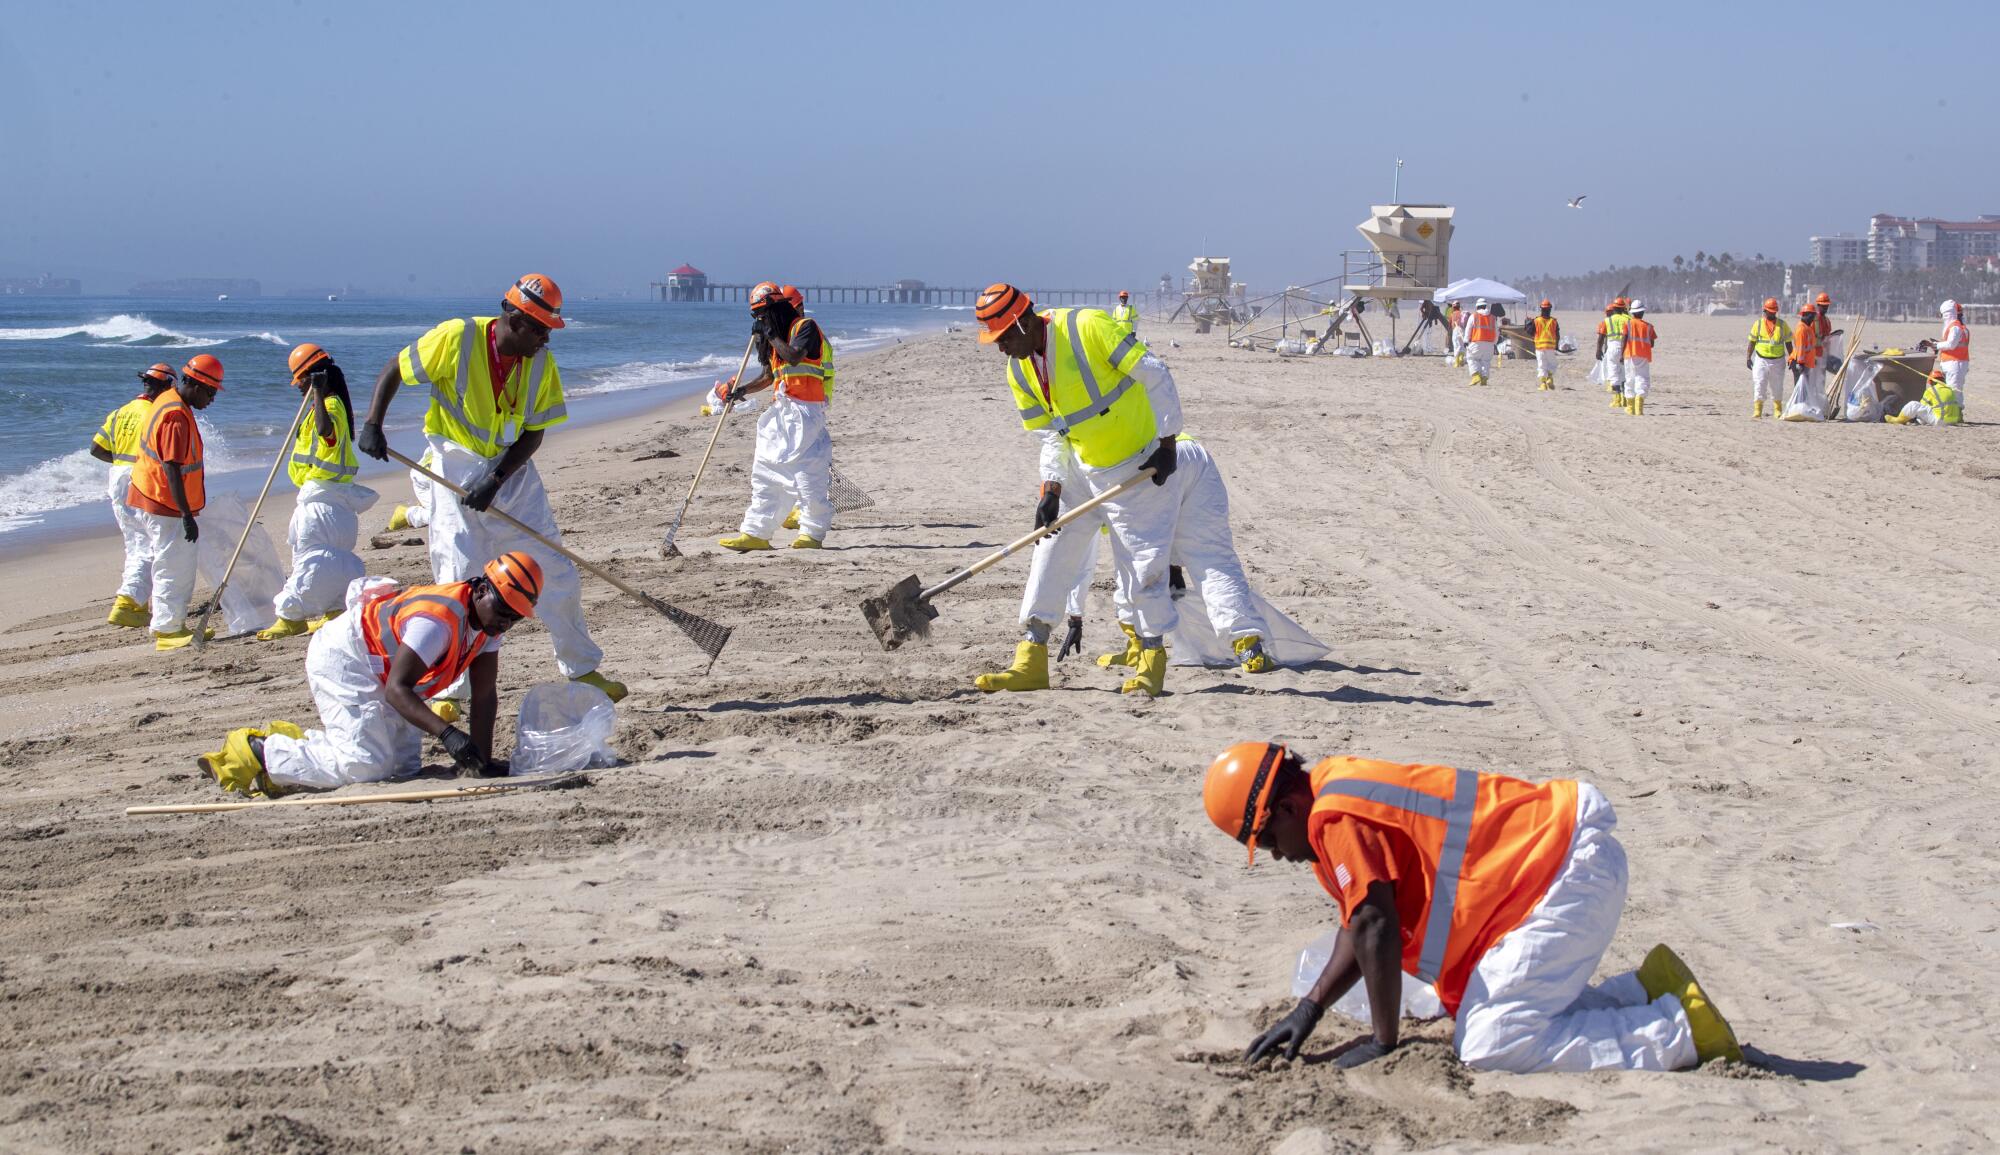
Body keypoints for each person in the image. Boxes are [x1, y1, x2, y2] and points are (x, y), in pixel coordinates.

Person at [1202, 742, 1744, 1073]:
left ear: (1289, 808)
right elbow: (1358, 917)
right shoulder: (1330, 791)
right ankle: (1643, 991)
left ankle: (1681, 1031)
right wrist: (1310, 1009)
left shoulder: (1334, 817)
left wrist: (1383, 1043)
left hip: (1568, 874)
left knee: (1491, 1044)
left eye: (1268, 840)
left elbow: (1375, 926)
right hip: (1555, 868)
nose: (1275, 855)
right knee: (1478, 1011)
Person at [354, 273, 627, 705]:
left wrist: (496, 478)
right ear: (514, 319)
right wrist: (373, 424)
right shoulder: (456, 338)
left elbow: (533, 433)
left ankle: (582, 669)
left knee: (555, 569)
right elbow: (394, 369)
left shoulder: (540, 362)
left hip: (510, 469)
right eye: (539, 330)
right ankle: (451, 689)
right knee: (459, 577)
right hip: (453, 463)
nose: (545, 340)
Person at [971, 282, 1183, 697]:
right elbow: (1050, 435)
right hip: (1083, 468)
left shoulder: (1087, 327)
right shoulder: (1018, 369)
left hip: (1136, 464)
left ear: (1026, 320)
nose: (1000, 348)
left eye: (1004, 337)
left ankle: (1152, 663)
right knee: (1050, 550)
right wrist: (1051, 487)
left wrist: (1168, 443)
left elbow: (1155, 374)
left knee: (1142, 565)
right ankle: (1031, 659)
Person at [197, 552, 542, 796]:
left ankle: (299, 748)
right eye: (503, 610)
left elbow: (484, 693)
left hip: (387, 668)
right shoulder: (437, 622)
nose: (505, 623)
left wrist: (479, 757)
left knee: (402, 770)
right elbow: (397, 690)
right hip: (347, 658)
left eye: (515, 617)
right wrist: (448, 734)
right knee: (367, 767)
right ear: (482, 590)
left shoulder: (489, 627)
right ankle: (258, 751)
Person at [1054, 434, 1320, 675]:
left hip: (1144, 468)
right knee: (1213, 559)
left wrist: (1075, 615)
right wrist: (1173, 564)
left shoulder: (1080, 476)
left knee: (1134, 561)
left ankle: (1137, 646)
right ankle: (1249, 648)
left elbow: (1082, 556)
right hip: (1190, 456)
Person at [259, 344, 379, 640]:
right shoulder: (329, 404)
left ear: (314, 377)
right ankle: (336, 609)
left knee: (312, 560)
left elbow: (326, 433)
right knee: (330, 559)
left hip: (322, 501)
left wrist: (317, 392)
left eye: (301, 379)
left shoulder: (328, 405)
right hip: (331, 501)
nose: (298, 386)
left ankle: (290, 615)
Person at [717, 282, 838, 551]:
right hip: (782, 411)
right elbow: (768, 377)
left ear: (779, 308)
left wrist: (770, 334)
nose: (761, 320)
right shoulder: (777, 340)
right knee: (766, 469)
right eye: (756, 316)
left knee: (808, 473)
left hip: (807, 411)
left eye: (764, 313)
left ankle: (812, 533)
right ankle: (756, 531)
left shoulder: (805, 328)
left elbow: (794, 357)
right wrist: (740, 391)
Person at [126, 354, 224, 650]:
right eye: (210, 393)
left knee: (174, 563)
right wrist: (185, 515)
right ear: (195, 385)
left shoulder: (170, 400)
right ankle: (168, 630)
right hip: (165, 504)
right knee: (173, 565)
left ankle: (173, 624)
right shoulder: (176, 415)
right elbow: (171, 466)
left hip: (156, 497)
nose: (211, 400)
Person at [90, 362, 177, 629]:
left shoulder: (121, 412)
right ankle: (127, 602)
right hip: (141, 478)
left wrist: (122, 463)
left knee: (135, 542)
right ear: (166, 387)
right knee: (152, 543)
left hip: (117, 477)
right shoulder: (155, 413)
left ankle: (136, 603)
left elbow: (96, 449)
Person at [1745, 298, 1791, 419]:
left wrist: (1792, 357)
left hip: (1778, 360)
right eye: (1769, 311)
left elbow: (1789, 343)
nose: (1772, 313)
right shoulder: (1758, 324)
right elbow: (1752, 342)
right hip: (1761, 359)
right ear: (1764, 311)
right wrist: (1748, 357)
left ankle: (1777, 409)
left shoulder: (1782, 325)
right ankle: (1757, 410)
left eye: (1774, 311)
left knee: (1777, 386)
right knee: (1759, 383)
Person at [1922, 299, 1971, 407]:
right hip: (1951, 363)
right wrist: (1935, 344)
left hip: (1956, 364)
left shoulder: (1955, 327)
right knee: (1950, 390)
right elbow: (1951, 344)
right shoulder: (1955, 327)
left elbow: (1951, 345)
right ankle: (1953, 412)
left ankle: (1957, 414)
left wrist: (1935, 345)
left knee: (1955, 391)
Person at [1886, 372, 1963, 426]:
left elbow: (1922, 406)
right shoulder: (1950, 390)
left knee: (1914, 404)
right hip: (1953, 421)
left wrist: (1917, 420)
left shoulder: (1931, 390)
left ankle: (1899, 420)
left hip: (1941, 421)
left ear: (1931, 382)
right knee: (1936, 407)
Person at [1621, 302, 1657, 415]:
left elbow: (1624, 339)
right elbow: (1652, 344)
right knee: (1642, 378)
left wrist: (1621, 354)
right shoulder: (1649, 327)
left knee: (1629, 379)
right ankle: (1639, 407)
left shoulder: (1627, 324)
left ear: (1632, 313)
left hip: (1629, 355)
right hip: (1643, 356)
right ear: (1642, 312)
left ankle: (1630, 408)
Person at [1788, 303, 1822, 415]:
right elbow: (1801, 348)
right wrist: (1800, 364)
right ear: (1805, 315)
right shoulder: (1802, 329)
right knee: (1800, 388)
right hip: (1799, 363)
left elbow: (1810, 347)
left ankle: (1801, 409)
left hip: (1805, 363)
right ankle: (1797, 410)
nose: (1813, 318)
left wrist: (1813, 359)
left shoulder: (1808, 328)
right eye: (1811, 315)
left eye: (1813, 315)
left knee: (1804, 389)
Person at [1596, 298, 1629, 408]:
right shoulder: (1627, 319)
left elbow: (1601, 337)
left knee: (1613, 373)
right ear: (1623, 308)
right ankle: (1625, 398)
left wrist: (1598, 350)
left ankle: (1617, 399)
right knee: (1624, 373)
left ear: (1614, 308)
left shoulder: (1607, 321)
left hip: (1612, 347)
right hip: (1626, 347)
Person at [1463, 299, 1499, 386]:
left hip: (1476, 342)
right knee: (1486, 361)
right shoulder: (1493, 318)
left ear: (1477, 307)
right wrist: (1494, 342)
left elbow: (1468, 329)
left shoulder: (1474, 316)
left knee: (1471, 358)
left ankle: (1475, 375)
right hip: (1490, 344)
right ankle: (1484, 379)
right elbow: (1497, 331)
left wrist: (1466, 340)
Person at [1530, 300, 1560, 390]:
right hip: (1550, 347)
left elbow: (1531, 332)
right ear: (1550, 309)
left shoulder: (1536, 320)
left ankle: (1543, 384)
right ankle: (1550, 378)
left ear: (1541, 309)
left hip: (1539, 347)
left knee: (1541, 365)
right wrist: (1557, 345)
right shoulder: (1554, 321)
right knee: (1553, 364)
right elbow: (1558, 335)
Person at [1447, 301, 1468, 367]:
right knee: (1462, 346)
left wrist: (1449, 333)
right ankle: (1461, 358)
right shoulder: (1462, 313)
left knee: (1456, 346)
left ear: (1453, 307)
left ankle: (1457, 362)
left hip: (1456, 330)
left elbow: (1450, 325)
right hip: (1463, 330)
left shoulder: (1452, 314)